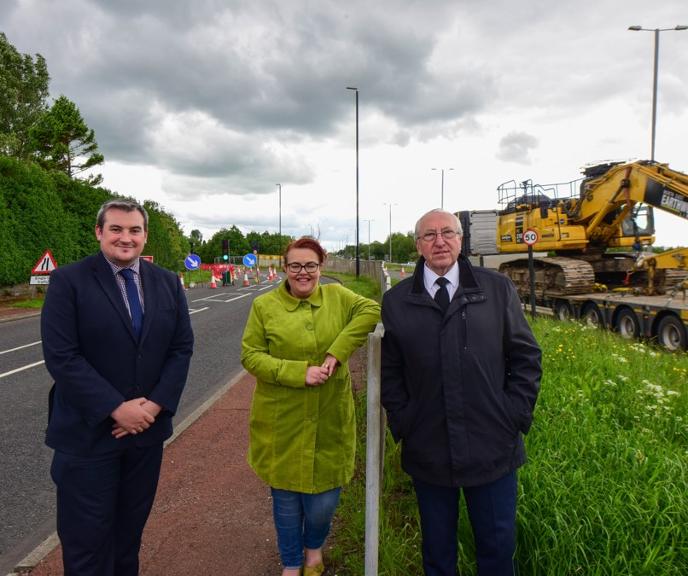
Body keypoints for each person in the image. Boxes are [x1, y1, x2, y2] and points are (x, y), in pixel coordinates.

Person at [381, 209, 541, 576]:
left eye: (447, 232)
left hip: (493, 446)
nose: (439, 241)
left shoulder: (495, 288)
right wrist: (405, 422)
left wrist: (512, 415)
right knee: (438, 556)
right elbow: (391, 372)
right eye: (429, 235)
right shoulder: (398, 300)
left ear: (460, 239)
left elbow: (526, 356)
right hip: (428, 448)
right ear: (418, 245)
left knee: (498, 552)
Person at [41, 199, 194, 576]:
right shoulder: (68, 281)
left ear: (144, 236)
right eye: (116, 229)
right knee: (86, 546)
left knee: (127, 540)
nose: (126, 238)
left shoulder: (167, 282)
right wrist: (117, 407)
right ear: (99, 232)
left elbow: (180, 348)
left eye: (134, 230)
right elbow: (63, 356)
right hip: (88, 437)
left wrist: (153, 407)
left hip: (145, 436)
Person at [241, 237, 380, 576]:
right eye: (295, 266)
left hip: (330, 415)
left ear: (322, 265)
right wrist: (296, 372)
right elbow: (251, 355)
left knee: (323, 502)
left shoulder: (338, 296)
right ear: (284, 268)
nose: (303, 273)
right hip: (281, 418)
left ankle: (313, 547)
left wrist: (337, 351)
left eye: (310, 266)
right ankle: (291, 563)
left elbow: (371, 309)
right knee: (286, 499)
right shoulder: (264, 306)